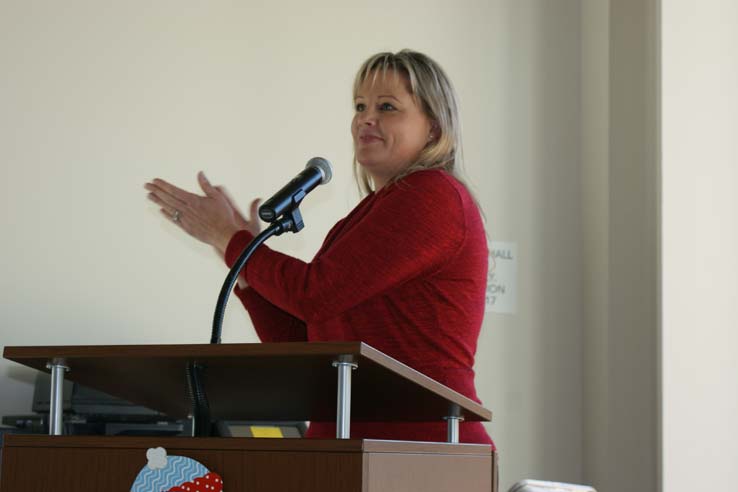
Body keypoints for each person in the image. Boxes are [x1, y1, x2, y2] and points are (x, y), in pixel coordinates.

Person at [144, 50, 492, 446]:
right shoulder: (361, 220)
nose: (366, 118)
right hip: (347, 444)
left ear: (433, 128)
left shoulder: (434, 195)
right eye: (360, 106)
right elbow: (303, 344)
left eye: (387, 106)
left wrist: (233, 240)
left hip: (419, 448)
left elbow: (313, 293)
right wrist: (242, 266)